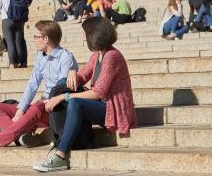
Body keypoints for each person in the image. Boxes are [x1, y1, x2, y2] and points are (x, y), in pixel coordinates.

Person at [33, 17, 137, 172]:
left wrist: (63, 97)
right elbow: (82, 76)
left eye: (85, 33)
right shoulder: (97, 55)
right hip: (101, 105)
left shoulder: (112, 56)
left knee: (74, 102)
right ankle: (63, 139)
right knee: (63, 84)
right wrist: (73, 72)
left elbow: (97, 93)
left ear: (95, 34)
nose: (83, 37)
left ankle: (61, 155)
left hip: (114, 109)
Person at [0, 20, 78, 149]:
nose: (34, 40)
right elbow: (32, 85)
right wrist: (20, 110)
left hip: (55, 109)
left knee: (39, 105)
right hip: (41, 107)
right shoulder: (41, 56)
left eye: (36, 37)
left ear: (46, 39)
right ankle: (20, 135)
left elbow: (60, 90)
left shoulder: (66, 57)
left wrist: (43, 103)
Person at [1, 0, 30, 67]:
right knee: (18, 40)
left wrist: (22, 9)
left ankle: (18, 62)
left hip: (11, 17)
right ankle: (20, 62)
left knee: (17, 40)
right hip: (18, 18)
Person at [0, 0, 27, 68]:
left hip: (7, 19)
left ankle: (13, 63)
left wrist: (3, 12)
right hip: (19, 19)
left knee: (10, 42)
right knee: (19, 41)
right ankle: (22, 62)